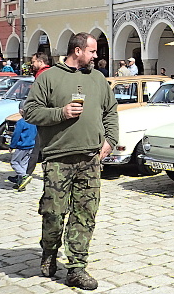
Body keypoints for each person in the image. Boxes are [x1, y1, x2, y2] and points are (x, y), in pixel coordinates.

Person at [23, 33, 118, 290]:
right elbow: (29, 111)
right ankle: (49, 251)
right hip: (58, 158)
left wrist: (110, 139)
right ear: (77, 51)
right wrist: (61, 113)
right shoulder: (50, 78)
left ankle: (77, 267)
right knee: (53, 213)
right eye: (92, 51)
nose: (96, 56)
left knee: (85, 214)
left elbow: (111, 110)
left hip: (90, 158)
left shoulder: (97, 79)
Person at [9, 109, 38, 191]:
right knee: (23, 164)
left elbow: (16, 135)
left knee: (14, 162)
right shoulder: (33, 121)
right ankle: (21, 184)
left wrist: (12, 146)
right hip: (31, 146)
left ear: (21, 111)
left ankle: (24, 176)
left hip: (21, 147)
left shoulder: (21, 122)